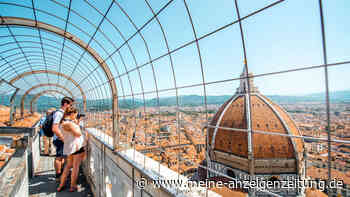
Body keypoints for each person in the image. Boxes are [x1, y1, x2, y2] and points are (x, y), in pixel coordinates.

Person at [57, 106, 86, 192]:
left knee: (67, 166)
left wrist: (75, 123)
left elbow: (69, 133)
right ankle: (72, 186)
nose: (76, 116)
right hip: (76, 147)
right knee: (75, 167)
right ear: (72, 113)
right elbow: (78, 134)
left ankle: (61, 185)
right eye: (75, 114)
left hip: (69, 147)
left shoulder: (63, 123)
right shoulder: (69, 124)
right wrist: (77, 126)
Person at [52, 97, 75, 179]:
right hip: (60, 139)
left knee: (62, 157)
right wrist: (63, 139)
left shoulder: (61, 113)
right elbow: (54, 128)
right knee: (59, 157)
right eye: (71, 105)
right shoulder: (59, 113)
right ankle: (58, 176)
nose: (71, 107)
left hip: (60, 139)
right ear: (65, 104)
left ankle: (61, 174)